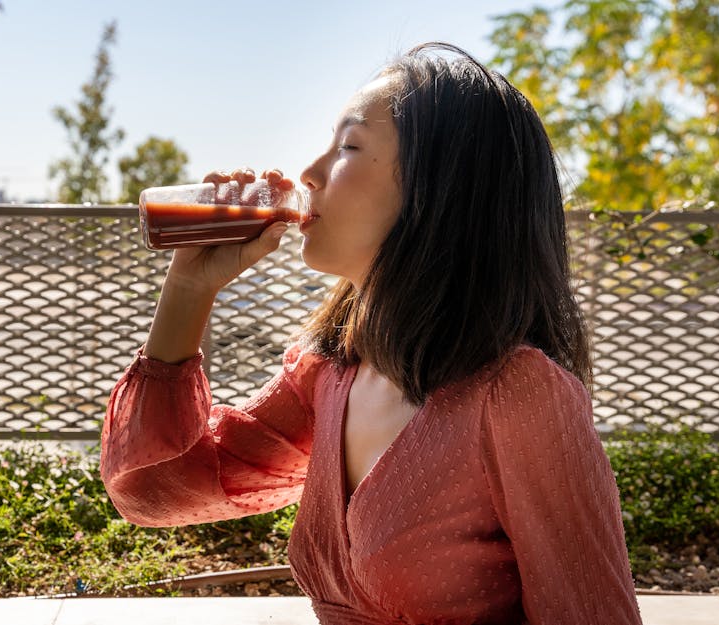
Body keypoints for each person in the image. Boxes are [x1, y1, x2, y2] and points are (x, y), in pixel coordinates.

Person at [100, 42, 643, 625]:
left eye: (349, 146)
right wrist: (189, 289)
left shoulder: (518, 394)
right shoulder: (330, 375)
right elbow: (153, 487)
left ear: (439, 194)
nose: (307, 172)